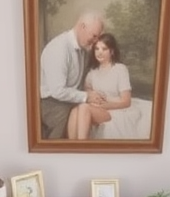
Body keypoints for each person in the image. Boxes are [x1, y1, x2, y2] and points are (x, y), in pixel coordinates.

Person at [38, 10, 107, 140]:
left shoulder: (82, 48)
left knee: (84, 114)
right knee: (73, 119)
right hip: (51, 103)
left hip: (66, 99)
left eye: (97, 37)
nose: (95, 41)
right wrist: (87, 96)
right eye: (94, 36)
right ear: (82, 27)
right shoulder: (59, 48)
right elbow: (57, 91)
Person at [72, 32, 131, 140]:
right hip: (98, 108)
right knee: (75, 110)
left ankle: (81, 147)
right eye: (97, 49)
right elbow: (88, 91)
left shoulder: (120, 69)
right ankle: (73, 147)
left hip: (115, 109)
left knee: (83, 108)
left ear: (112, 51)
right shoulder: (92, 72)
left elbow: (126, 102)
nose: (99, 53)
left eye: (104, 49)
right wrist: (92, 96)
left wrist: (105, 105)